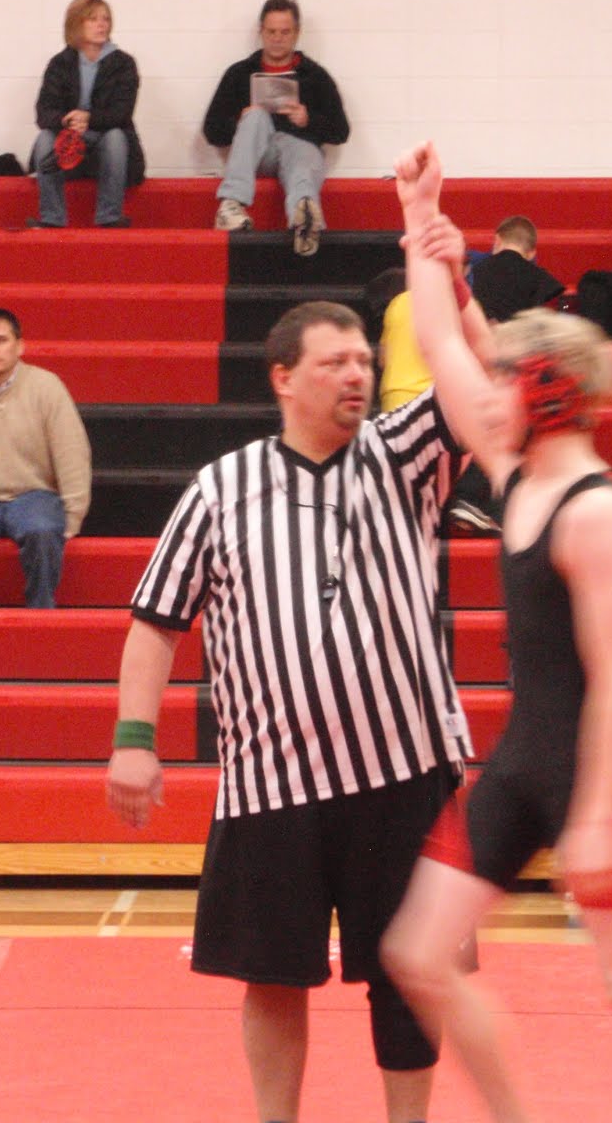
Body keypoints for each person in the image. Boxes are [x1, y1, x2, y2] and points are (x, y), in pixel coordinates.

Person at [379, 142, 612, 1123]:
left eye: (510, 371)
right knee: (414, 955)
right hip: (521, 762)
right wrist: (418, 218)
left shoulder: (599, 514)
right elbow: (442, 341)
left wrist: (600, 812)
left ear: (548, 390)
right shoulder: (517, 470)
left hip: (585, 769)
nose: (489, 381)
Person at [106, 298, 471, 1123]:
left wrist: (436, 258)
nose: (357, 375)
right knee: (271, 976)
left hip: (400, 770)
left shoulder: (401, 455)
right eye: (334, 362)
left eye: (364, 362)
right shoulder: (219, 488)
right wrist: (135, 739)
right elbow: (156, 624)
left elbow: (467, 382)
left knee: (408, 974)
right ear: (283, 378)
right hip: (270, 782)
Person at [0, 308, 91, 609]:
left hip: (33, 494)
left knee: (43, 530)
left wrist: (74, 513)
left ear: (20, 346)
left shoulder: (47, 387)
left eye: (0, 340)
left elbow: (71, 451)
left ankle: (41, 613)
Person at [204, 0, 350, 256]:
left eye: (285, 32)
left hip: (298, 154)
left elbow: (341, 131)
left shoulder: (315, 76)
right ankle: (231, 203)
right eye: (271, 31)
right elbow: (212, 131)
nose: (277, 38)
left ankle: (303, 218)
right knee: (256, 118)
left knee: (299, 147)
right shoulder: (239, 74)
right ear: (261, 31)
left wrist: (308, 120)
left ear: (297, 33)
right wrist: (241, 120)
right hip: (256, 154)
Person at [27, 0, 144, 229]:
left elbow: (122, 113)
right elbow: (43, 112)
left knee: (116, 137)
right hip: (69, 144)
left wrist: (88, 119)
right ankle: (52, 218)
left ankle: (109, 216)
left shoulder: (123, 64)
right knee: (44, 139)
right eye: (92, 19)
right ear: (76, 24)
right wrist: (68, 121)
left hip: (107, 147)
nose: (101, 25)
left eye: (106, 19)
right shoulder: (60, 63)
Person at [468, 215, 566, 324]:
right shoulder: (542, 279)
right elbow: (563, 307)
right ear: (532, 254)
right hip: (520, 336)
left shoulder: (475, 269)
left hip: (484, 333)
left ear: (498, 240)